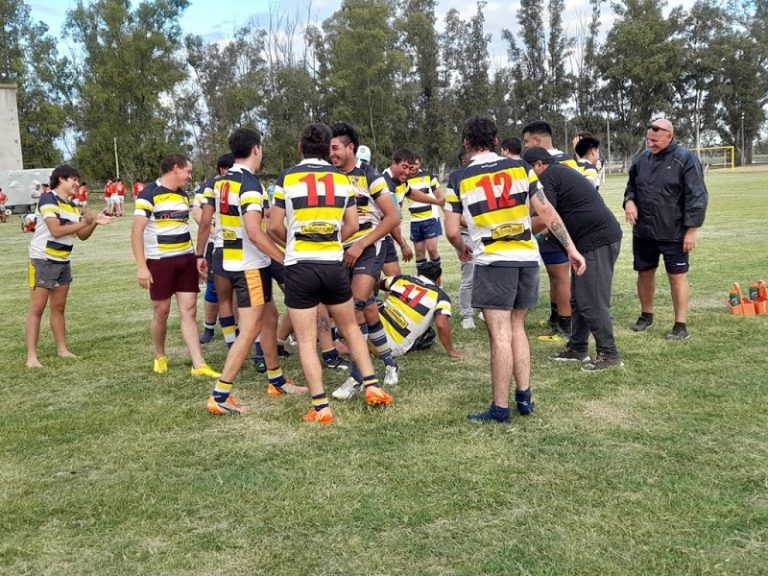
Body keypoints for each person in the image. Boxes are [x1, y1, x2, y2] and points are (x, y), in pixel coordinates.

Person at [445, 116, 586, 423]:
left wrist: (461, 248)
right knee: (517, 328)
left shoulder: (458, 177)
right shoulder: (521, 168)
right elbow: (546, 211)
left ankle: (499, 407)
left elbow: (452, 230)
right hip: (526, 257)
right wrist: (572, 248)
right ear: (496, 140)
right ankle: (524, 396)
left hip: (494, 260)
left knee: (499, 335)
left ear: (466, 143)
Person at [269, 123, 393, 424]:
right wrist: (332, 241)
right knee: (351, 327)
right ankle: (373, 387)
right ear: (328, 149)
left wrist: (296, 242)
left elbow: (273, 226)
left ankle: (321, 407)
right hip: (333, 263)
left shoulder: (287, 176)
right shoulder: (342, 179)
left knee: (307, 336)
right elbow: (352, 225)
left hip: (300, 265)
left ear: (300, 147)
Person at [195, 128, 302, 416]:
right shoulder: (250, 185)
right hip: (249, 265)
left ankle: (276, 379)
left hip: (229, 260)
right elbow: (255, 232)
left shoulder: (221, 181)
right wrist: (284, 258)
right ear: (256, 149)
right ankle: (220, 394)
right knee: (251, 327)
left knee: (269, 317)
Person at [524, 147, 624, 371]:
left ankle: (609, 354)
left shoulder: (548, 176)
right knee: (579, 299)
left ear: (538, 165)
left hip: (596, 240)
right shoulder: (558, 173)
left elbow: (544, 217)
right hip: (588, 241)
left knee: (591, 300)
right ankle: (577, 348)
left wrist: (513, 229)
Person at [131, 153, 220, 378]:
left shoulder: (182, 196)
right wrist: (142, 266)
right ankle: (160, 355)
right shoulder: (148, 194)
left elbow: (186, 227)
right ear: (175, 168)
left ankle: (198, 364)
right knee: (161, 311)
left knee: (189, 311)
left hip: (185, 260)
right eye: (188, 171)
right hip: (159, 262)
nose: (190, 177)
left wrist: (196, 257)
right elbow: (136, 232)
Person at [329, 121, 401, 391]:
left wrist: (360, 245)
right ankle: (390, 362)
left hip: (369, 247)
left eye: (336, 148)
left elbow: (393, 216)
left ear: (351, 148)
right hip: (339, 250)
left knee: (356, 306)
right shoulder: (329, 176)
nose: (332, 153)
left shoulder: (371, 176)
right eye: (329, 149)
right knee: (369, 308)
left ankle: (358, 378)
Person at [624, 118, 708, 340]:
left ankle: (680, 325)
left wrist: (691, 230)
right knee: (644, 273)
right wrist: (629, 202)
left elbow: (697, 195)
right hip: (644, 231)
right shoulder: (641, 159)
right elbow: (630, 187)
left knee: (677, 276)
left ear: (669, 136)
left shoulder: (686, 159)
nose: (650, 143)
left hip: (674, 232)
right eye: (648, 140)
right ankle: (646, 316)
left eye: (655, 140)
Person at [25, 165, 113, 368]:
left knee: (59, 307)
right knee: (37, 308)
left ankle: (62, 349)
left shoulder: (72, 205)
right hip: (42, 260)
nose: (77, 184)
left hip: (63, 260)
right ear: (61, 179)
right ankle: (31, 356)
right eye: (74, 179)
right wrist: (85, 220)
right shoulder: (48, 199)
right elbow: (56, 230)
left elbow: (81, 235)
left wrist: (94, 223)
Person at [522, 120, 583, 339]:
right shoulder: (539, 162)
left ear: (537, 140)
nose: (525, 146)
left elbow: (561, 201)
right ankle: (556, 316)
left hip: (556, 228)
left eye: (527, 142)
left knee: (560, 275)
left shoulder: (562, 162)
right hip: (545, 227)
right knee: (553, 275)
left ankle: (566, 324)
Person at [191, 153, 234, 344]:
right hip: (215, 244)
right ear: (220, 169)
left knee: (237, 290)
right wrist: (215, 230)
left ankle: (236, 330)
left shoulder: (242, 182)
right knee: (213, 288)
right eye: (227, 168)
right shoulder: (209, 186)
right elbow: (196, 212)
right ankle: (209, 328)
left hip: (237, 243)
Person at [378, 261, 462, 358]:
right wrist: (451, 350)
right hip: (392, 349)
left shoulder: (403, 279)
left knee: (376, 303)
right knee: (430, 334)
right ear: (438, 279)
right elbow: (441, 324)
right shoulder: (441, 297)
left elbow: (376, 284)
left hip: (370, 337)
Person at [405, 154, 445, 273]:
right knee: (419, 253)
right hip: (415, 221)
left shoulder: (428, 176)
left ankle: (437, 281)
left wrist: (446, 214)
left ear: (420, 164)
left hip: (431, 219)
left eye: (416, 164)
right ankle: (423, 282)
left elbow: (439, 196)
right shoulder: (404, 179)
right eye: (411, 165)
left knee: (432, 249)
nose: (414, 168)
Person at [380, 148, 415, 276]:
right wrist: (403, 245)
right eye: (404, 167)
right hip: (376, 237)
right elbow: (391, 220)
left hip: (383, 236)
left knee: (394, 279)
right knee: (389, 280)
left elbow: (412, 193)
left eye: (410, 168)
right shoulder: (385, 183)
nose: (407, 172)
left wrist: (437, 201)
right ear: (393, 163)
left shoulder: (398, 182)